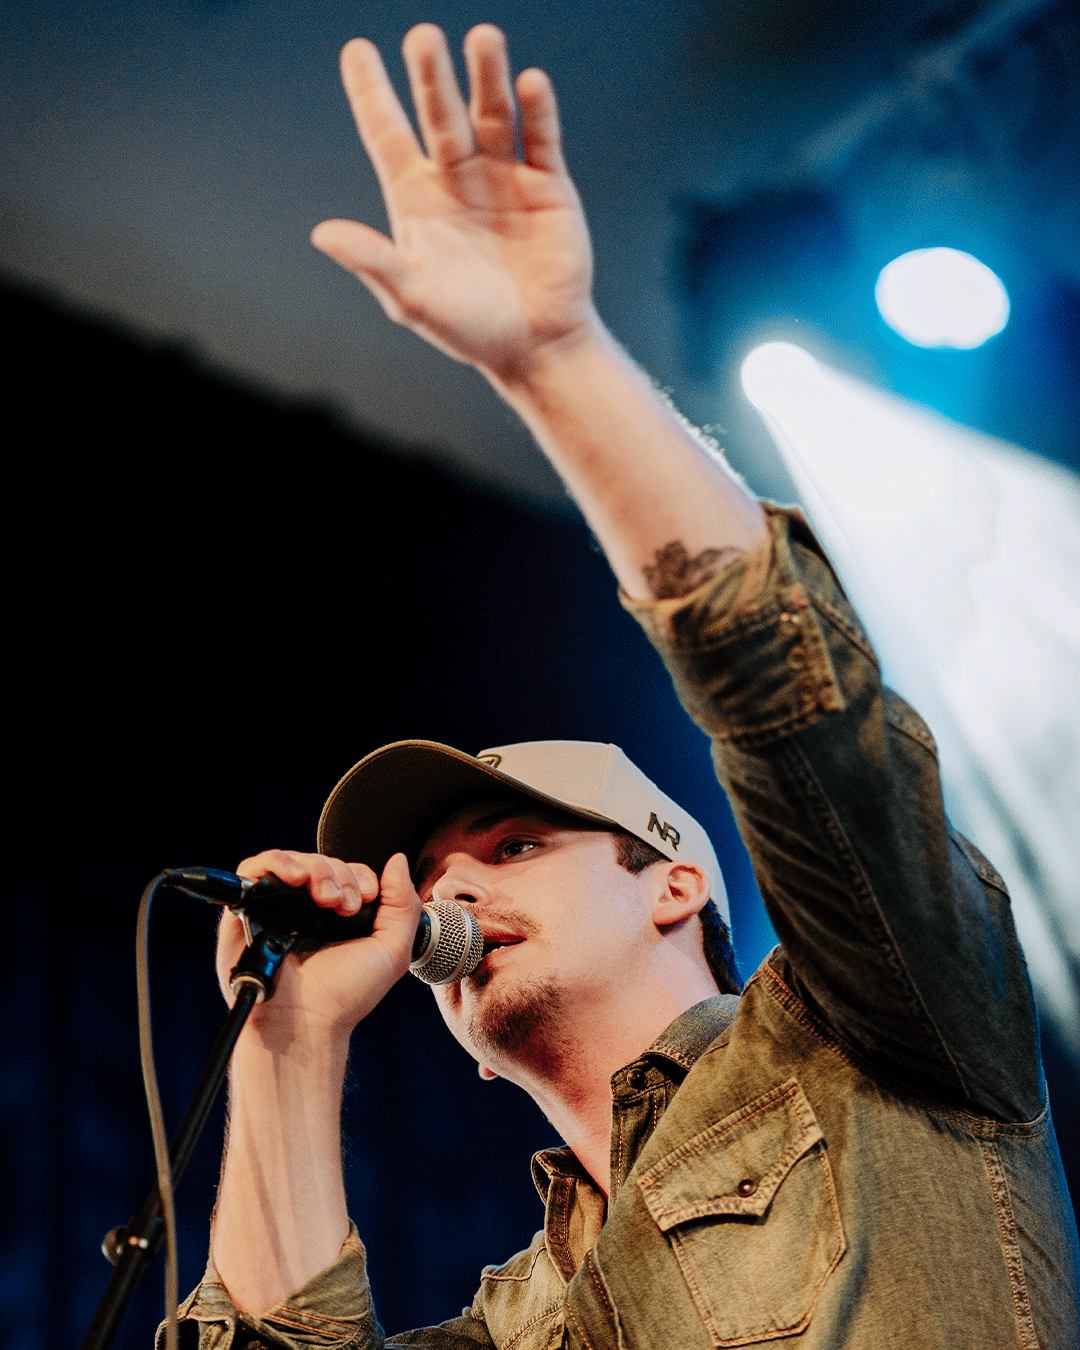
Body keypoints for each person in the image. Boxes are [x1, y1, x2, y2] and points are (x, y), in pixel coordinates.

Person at [167, 22, 1079, 1348]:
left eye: (516, 844)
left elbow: (797, 702)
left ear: (677, 882)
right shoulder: (510, 1321)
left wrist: (555, 361)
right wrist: (288, 1048)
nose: (449, 891)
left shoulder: (872, 1033)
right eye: (436, 869)